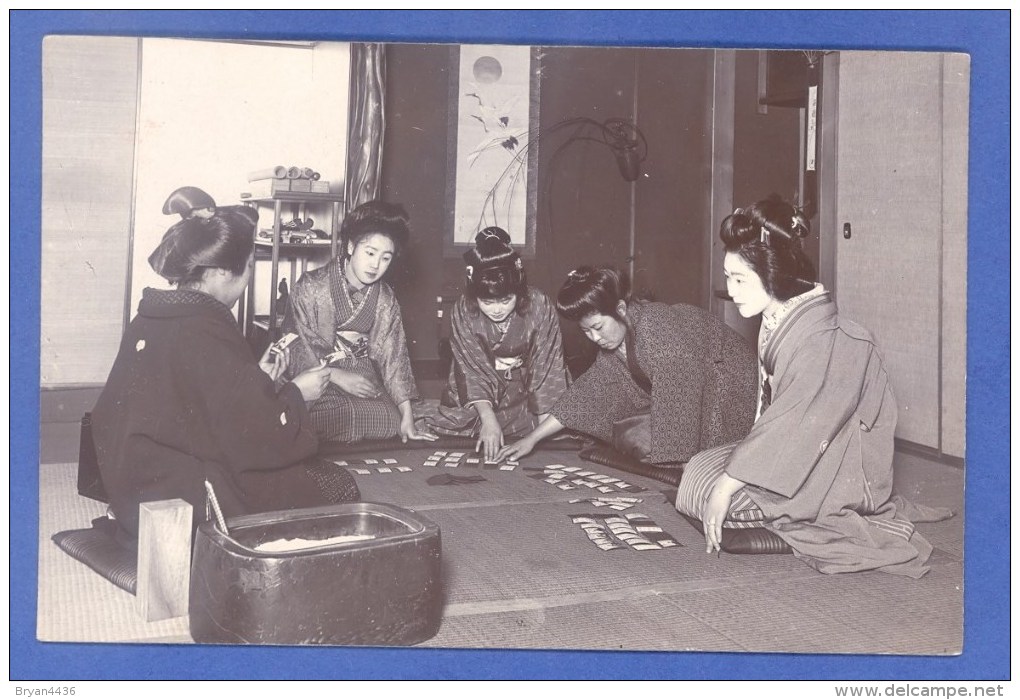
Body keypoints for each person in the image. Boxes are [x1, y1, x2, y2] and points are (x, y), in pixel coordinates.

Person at [675, 196, 952, 577]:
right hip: (797, 450)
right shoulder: (783, 315)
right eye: (728, 277)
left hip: (838, 467)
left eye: (740, 279)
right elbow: (781, 421)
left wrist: (726, 485)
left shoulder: (826, 338)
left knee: (706, 490)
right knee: (695, 472)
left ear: (772, 276)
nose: (731, 289)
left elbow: (796, 426)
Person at [91, 210, 353, 538]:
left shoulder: (151, 316)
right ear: (219, 272)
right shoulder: (205, 327)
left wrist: (256, 378)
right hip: (184, 487)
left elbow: (193, 401)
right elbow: (250, 437)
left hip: (131, 479)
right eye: (246, 271)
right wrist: (299, 392)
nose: (246, 282)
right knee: (337, 486)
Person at [497, 265, 758, 464]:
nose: (595, 338)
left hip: (732, 385)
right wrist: (531, 439)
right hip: (693, 396)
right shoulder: (621, 336)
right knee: (630, 435)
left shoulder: (658, 329)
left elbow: (680, 397)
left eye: (598, 327)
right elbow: (586, 395)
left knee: (692, 462)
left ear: (620, 309)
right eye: (586, 332)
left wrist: (673, 464)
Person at [280, 200, 435, 444]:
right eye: (370, 253)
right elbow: (297, 345)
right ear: (351, 246)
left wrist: (407, 415)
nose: (375, 265)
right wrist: (336, 375)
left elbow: (394, 357)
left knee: (391, 421)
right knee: (326, 416)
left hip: (362, 373)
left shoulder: (384, 297)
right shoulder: (311, 286)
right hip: (319, 373)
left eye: (386, 258)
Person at [420, 227, 570, 460]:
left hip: (524, 387)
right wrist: (488, 419)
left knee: (554, 429)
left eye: (506, 300)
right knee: (461, 425)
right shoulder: (463, 310)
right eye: (487, 302)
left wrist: (542, 435)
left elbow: (547, 368)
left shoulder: (539, 304)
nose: (497, 309)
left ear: (519, 292)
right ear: (474, 295)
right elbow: (471, 370)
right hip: (479, 394)